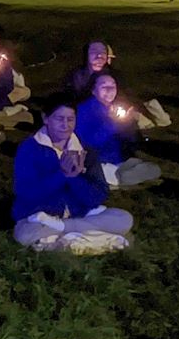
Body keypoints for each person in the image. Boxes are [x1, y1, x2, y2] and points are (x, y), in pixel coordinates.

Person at [11, 96, 133, 254]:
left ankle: (65, 234)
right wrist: (62, 175)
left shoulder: (85, 150)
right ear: (46, 118)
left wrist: (75, 178)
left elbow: (98, 196)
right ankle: (90, 238)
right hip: (41, 215)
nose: (65, 125)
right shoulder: (29, 149)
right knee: (24, 234)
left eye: (70, 119)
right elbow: (26, 192)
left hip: (79, 215)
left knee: (123, 218)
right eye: (59, 119)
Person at [74, 72, 163, 187]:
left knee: (155, 169)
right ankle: (120, 178)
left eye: (113, 86)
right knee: (124, 175)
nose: (109, 89)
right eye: (104, 86)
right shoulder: (83, 111)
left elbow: (130, 140)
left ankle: (124, 176)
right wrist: (112, 123)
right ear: (93, 90)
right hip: (97, 161)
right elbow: (89, 142)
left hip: (119, 159)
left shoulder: (114, 109)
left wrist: (129, 124)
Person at [64, 41, 171, 128]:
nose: (99, 56)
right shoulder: (77, 75)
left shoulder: (115, 75)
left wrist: (120, 107)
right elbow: (72, 97)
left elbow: (126, 95)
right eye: (94, 52)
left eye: (103, 54)